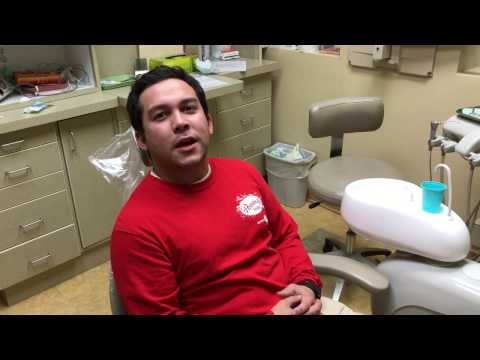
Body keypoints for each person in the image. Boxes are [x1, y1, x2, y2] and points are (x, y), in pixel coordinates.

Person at [110, 65, 324, 315]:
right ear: (142, 139)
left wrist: (306, 284)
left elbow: (284, 236)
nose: (180, 123)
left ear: (209, 122)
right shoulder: (136, 230)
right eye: (160, 115)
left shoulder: (244, 173)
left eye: (188, 108)